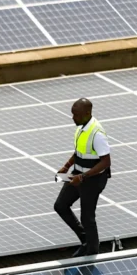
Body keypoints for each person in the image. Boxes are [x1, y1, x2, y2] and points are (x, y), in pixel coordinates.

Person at [55, 98, 111, 257]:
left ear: (87, 113)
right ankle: (86, 240)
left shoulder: (97, 133)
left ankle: (92, 251)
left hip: (92, 180)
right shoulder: (81, 128)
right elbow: (79, 152)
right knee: (60, 205)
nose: (73, 118)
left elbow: (106, 162)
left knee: (87, 217)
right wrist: (66, 166)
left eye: (76, 115)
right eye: (73, 114)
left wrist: (83, 176)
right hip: (77, 175)